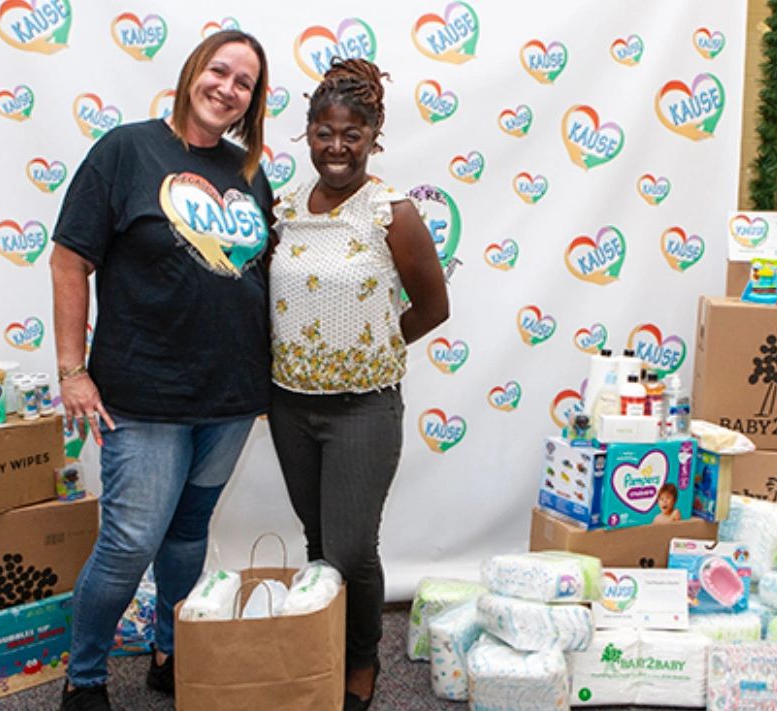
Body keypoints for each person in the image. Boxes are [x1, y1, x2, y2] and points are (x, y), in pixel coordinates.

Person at [50, 30, 273, 711]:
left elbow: (255, 277)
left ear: (251, 103)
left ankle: (170, 653)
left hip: (231, 396)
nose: (228, 88)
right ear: (191, 72)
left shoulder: (249, 171)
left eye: (244, 83)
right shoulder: (125, 149)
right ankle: (83, 676)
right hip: (141, 393)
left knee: (187, 530)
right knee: (128, 540)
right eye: (220, 70)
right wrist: (70, 369)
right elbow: (68, 258)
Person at [267, 58, 449, 710]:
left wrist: (371, 346)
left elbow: (432, 306)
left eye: (352, 134)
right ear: (307, 134)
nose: (336, 147)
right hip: (289, 404)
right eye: (324, 132)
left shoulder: (390, 210)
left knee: (351, 545)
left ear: (373, 136)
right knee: (319, 544)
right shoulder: (283, 208)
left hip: (363, 407)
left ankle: (360, 656)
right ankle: (324, 642)